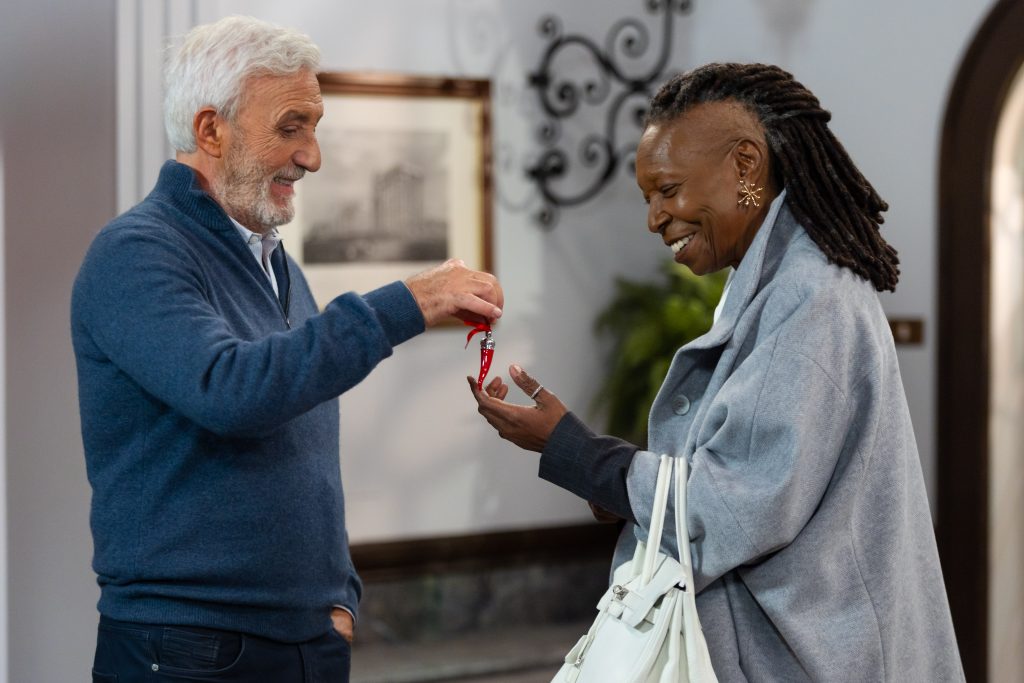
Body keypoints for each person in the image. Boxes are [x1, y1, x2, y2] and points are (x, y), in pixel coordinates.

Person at [470, 62, 963, 681]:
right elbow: (747, 475)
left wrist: (574, 450)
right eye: (648, 197)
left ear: (746, 166)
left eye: (669, 190)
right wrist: (609, 481)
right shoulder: (775, 282)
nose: (654, 217)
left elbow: (730, 508)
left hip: (814, 658)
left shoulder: (809, 297)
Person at [72, 15, 502, 683]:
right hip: (188, 649)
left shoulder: (278, 266)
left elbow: (299, 445)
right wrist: (406, 303)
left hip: (302, 641)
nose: (313, 156)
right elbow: (231, 389)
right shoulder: (136, 252)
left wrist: (336, 598)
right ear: (209, 129)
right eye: (290, 127)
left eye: (315, 126)